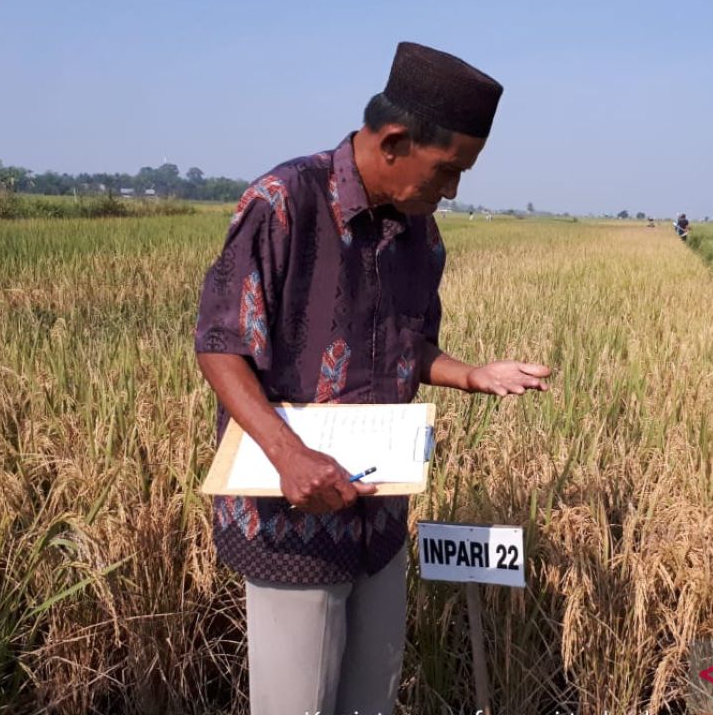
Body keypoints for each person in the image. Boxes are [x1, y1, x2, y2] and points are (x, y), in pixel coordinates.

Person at [194, 42, 552, 715]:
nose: (451, 189)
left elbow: (406, 347)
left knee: (372, 700)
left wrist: (471, 375)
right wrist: (288, 453)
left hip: (379, 517)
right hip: (291, 517)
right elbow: (220, 344)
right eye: (446, 169)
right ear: (393, 141)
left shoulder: (421, 234)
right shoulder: (284, 203)